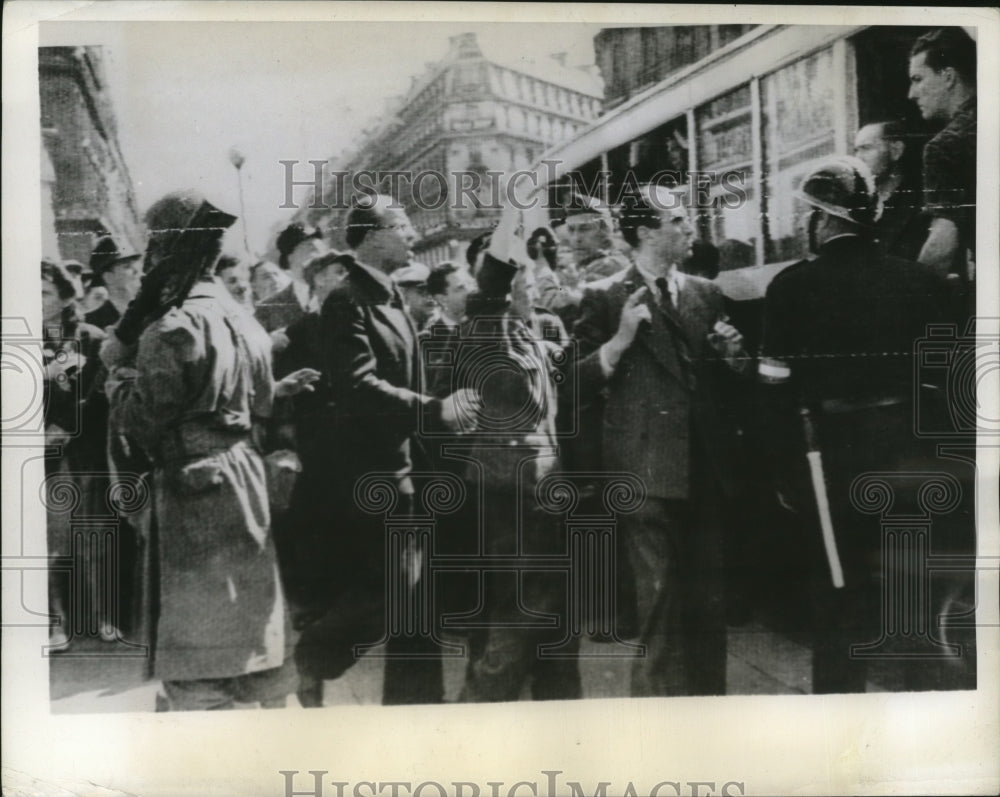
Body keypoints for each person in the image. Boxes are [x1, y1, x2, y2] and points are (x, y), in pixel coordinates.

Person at [102, 190, 319, 711]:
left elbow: (143, 423)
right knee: (252, 642)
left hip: (193, 490)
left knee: (198, 663)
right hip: (245, 478)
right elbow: (261, 401)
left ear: (166, 250)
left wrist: (117, 380)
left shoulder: (172, 326)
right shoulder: (243, 317)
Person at [757, 156, 959, 693]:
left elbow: (774, 389)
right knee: (912, 597)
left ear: (822, 219)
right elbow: (946, 379)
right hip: (911, 455)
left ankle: (839, 716)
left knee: (837, 597)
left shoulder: (792, 288)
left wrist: (787, 477)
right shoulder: (919, 281)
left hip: (832, 461)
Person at [294, 194, 479, 707]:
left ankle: (416, 709)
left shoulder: (390, 294)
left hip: (408, 468)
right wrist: (435, 410)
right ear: (373, 236)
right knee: (392, 593)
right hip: (373, 474)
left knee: (415, 604)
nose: (412, 234)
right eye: (402, 226)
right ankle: (308, 660)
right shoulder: (347, 300)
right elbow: (358, 387)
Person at [573, 183, 750, 697]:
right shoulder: (605, 297)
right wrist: (619, 340)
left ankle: (707, 713)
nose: (689, 227)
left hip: (704, 470)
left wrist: (734, 355)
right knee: (661, 606)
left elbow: (728, 380)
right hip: (644, 474)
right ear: (646, 232)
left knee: (707, 606)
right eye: (677, 220)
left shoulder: (705, 292)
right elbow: (572, 383)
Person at [455, 251, 581, 702]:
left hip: (542, 488)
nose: (534, 292)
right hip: (514, 491)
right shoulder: (488, 331)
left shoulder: (530, 331)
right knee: (526, 608)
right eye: (525, 285)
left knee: (553, 616)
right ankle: (477, 705)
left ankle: (559, 713)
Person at [41, 259, 107, 647]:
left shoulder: (91, 337)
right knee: (49, 542)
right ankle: (55, 622)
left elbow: (98, 395)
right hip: (41, 457)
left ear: (67, 296)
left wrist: (67, 424)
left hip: (84, 453)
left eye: (44, 293)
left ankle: (103, 615)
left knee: (93, 535)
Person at [907, 28, 977, 284]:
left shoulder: (945, 146)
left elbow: (943, 242)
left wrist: (909, 294)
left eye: (918, 79)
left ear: (948, 77)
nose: (911, 94)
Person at [854, 120, 929, 262]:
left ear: (896, 151)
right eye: (856, 150)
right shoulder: (859, 206)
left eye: (866, 148)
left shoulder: (921, 202)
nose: (858, 158)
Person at [255, 222, 327, 335]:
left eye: (321, 248)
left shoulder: (342, 289)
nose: (319, 256)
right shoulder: (267, 310)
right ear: (290, 257)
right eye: (310, 247)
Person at [563, 193, 630, 283]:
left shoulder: (608, 265)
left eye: (584, 229)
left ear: (604, 232)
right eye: (571, 230)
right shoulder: (583, 264)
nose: (576, 238)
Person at [527, 226, 582, 328]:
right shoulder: (546, 275)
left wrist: (563, 287)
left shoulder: (534, 273)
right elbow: (553, 304)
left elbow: (558, 289)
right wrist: (571, 288)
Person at [391, 260, 435, 331]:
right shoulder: (400, 327)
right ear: (405, 294)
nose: (430, 298)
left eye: (432, 292)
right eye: (421, 292)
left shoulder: (445, 325)